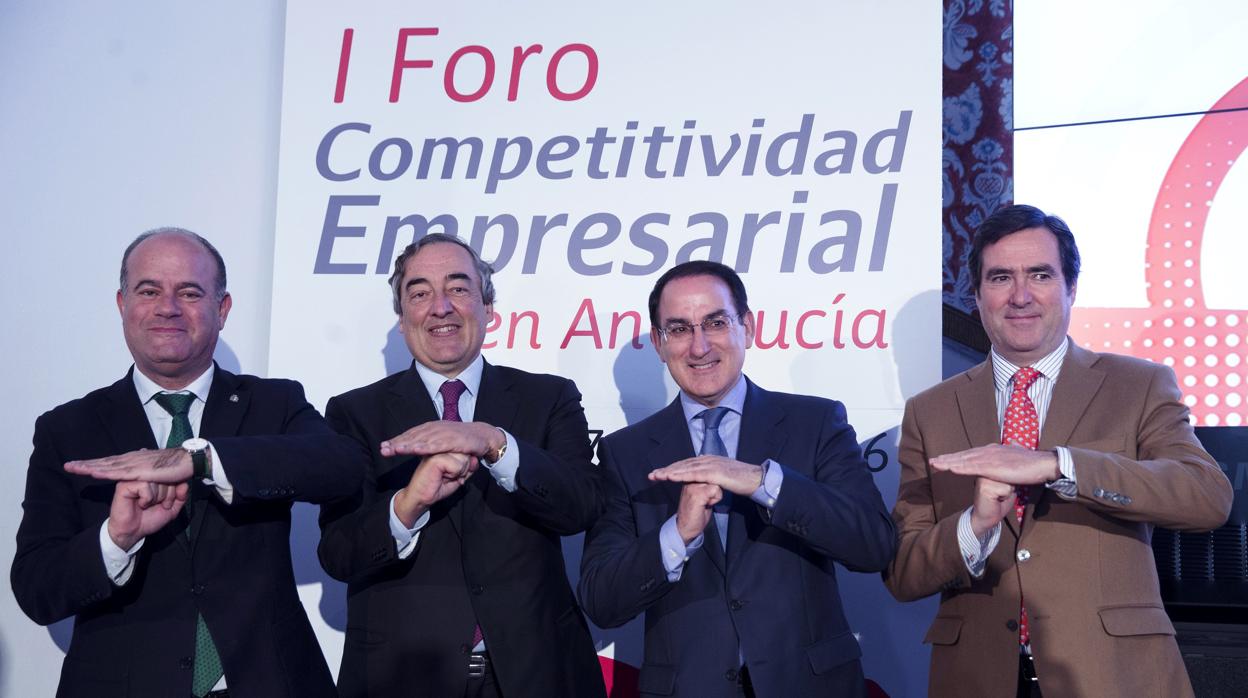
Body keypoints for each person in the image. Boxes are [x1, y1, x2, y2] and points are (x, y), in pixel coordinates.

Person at [883, 204, 1233, 697]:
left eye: (1040, 275)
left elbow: (1207, 497)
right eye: (1001, 277)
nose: (1020, 296)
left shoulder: (1138, 384)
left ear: (1070, 287)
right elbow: (903, 572)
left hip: (1114, 676)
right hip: (977, 679)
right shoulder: (930, 411)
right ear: (977, 295)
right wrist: (973, 526)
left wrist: (1057, 465)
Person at [11, 228, 367, 697]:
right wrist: (116, 539)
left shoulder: (273, 402)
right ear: (122, 304)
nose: (167, 307)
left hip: (270, 682)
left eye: (190, 292)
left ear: (222, 309)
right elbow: (38, 589)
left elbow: (342, 465)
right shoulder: (67, 430)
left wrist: (202, 461)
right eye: (149, 290)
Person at [578, 260, 896, 698]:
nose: (699, 346)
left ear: (746, 327)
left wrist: (763, 482)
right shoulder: (624, 453)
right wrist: (677, 534)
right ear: (658, 343)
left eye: (715, 322)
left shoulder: (816, 422)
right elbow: (601, 601)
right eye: (679, 329)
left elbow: (873, 544)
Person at [317, 233, 605, 698]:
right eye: (420, 293)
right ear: (402, 316)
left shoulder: (549, 398)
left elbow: (581, 507)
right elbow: (337, 553)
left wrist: (496, 444)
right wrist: (407, 505)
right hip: (404, 677)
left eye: (458, 287)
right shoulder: (354, 414)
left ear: (487, 306)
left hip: (539, 673)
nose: (441, 307)